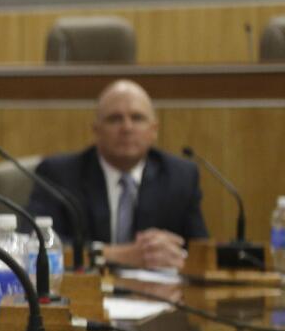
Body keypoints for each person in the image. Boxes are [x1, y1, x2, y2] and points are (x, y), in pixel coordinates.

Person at [26, 79, 207, 269]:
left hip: (158, 292)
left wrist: (174, 253)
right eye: (114, 119)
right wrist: (118, 255)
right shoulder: (59, 174)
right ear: (96, 130)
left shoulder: (180, 176)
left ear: (154, 130)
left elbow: (200, 251)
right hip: (86, 291)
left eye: (137, 118)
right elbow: (34, 241)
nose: (127, 128)